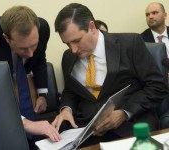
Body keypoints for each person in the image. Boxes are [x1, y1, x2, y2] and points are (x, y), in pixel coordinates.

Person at [52, 3, 168, 144]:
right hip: (87, 132)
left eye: (77, 41)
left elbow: (157, 86)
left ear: (92, 27)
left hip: (130, 124)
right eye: (67, 44)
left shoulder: (130, 44)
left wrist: (124, 113)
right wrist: (66, 109)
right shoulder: (68, 57)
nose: (73, 49)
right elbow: (70, 91)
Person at [0, 5, 61, 146]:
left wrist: (42, 93)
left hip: (23, 90)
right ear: (7, 38)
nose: (30, 53)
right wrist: (25, 123)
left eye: (34, 45)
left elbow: (39, 59)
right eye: (23, 48)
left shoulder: (42, 28)